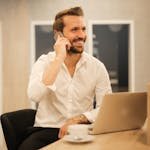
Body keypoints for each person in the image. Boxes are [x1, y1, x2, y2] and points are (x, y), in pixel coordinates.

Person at [19, 6, 112, 150]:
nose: (81, 35)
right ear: (59, 35)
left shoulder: (97, 67)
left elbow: (105, 108)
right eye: (75, 30)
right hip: (47, 130)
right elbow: (34, 95)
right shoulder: (44, 62)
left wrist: (79, 119)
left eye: (83, 29)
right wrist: (58, 59)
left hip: (82, 130)